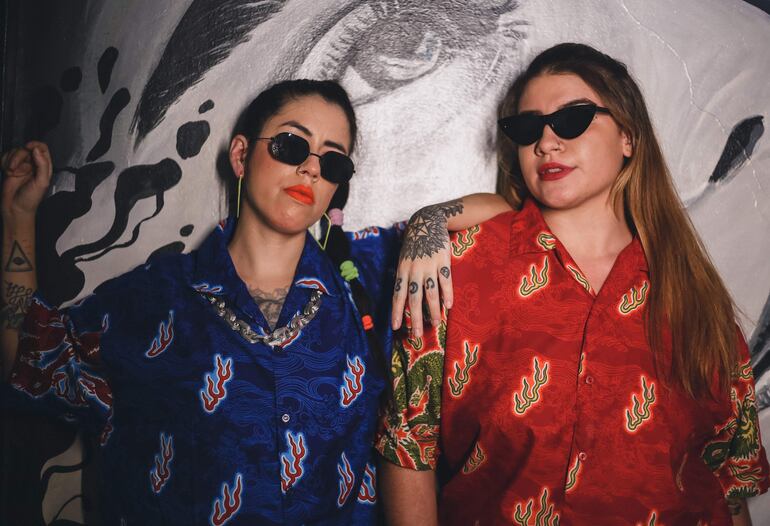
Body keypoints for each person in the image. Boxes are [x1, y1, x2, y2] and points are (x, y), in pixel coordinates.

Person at [0, 79, 506, 524]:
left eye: (332, 160)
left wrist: (427, 221)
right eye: (291, 145)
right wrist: (19, 219)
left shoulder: (371, 275)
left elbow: (506, 211)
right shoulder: (155, 297)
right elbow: (26, 360)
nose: (311, 168)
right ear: (241, 156)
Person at [377, 43, 769, 526]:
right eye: (528, 129)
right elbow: (408, 446)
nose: (546, 143)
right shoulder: (456, 265)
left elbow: (728, 484)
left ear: (628, 136)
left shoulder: (693, 295)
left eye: (572, 119)